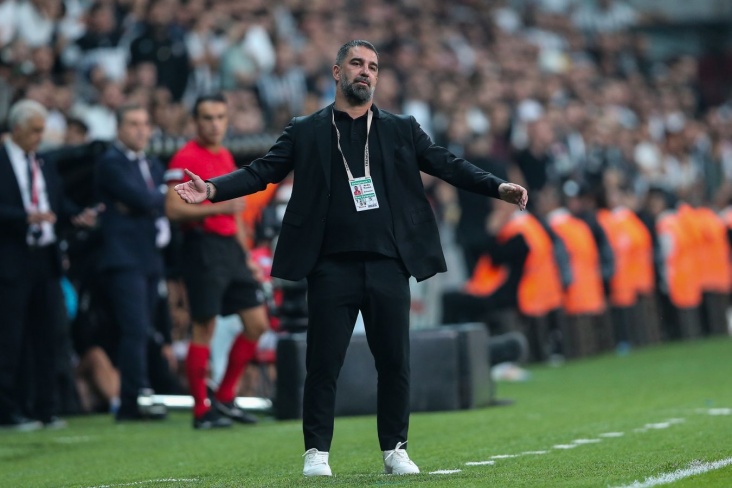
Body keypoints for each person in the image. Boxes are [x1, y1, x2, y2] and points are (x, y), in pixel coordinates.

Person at [174, 40, 527, 476]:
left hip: (388, 264)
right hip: (330, 265)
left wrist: (496, 187)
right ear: (337, 72)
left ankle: (395, 449)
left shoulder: (401, 128)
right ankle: (316, 452)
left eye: (373, 67)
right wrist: (212, 189)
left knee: (394, 362)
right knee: (323, 363)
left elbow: (447, 164)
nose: (366, 72)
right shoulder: (306, 129)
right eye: (357, 63)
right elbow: (262, 171)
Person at [165, 93, 269, 429]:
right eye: (208, 118)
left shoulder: (224, 154)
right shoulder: (185, 157)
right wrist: (219, 207)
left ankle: (224, 396)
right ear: (195, 122)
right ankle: (201, 410)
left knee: (257, 324)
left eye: (220, 117)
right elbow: (173, 208)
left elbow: (236, 214)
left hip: (230, 250)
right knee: (203, 327)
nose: (214, 124)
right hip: (202, 247)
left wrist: (246, 255)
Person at [0, 99, 98, 430]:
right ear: (16, 129)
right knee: (11, 338)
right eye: (34, 131)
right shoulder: (2, 162)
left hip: (46, 259)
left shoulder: (43, 161)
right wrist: (23, 217)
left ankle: (46, 408)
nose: (40, 137)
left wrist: (76, 215)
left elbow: (56, 202)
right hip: (12, 260)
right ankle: (9, 410)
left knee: (50, 334)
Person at [94, 104, 169, 421]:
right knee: (134, 329)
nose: (141, 130)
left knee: (143, 328)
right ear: (119, 128)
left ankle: (138, 395)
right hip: (123, 258)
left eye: (145, 123)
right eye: (133, 123)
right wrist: (158, 198)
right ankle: (133, 400)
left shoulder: (152, 163)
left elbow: (149, 201)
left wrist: (151, 201)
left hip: (149, 255)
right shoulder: (111, 163)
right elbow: (144, 198)